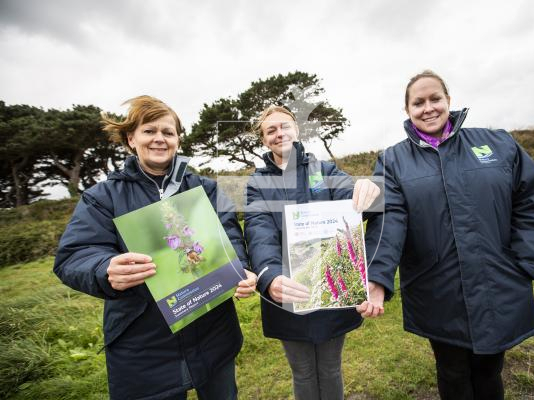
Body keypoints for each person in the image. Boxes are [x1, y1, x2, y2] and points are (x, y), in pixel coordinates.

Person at [359, 70, 534, 400]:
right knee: (452, 373)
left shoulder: (498, 143)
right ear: (407, 110)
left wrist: (527, 260)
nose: (428, 108)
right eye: (418, 102)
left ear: (448, 101)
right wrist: (377, 279)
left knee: (489, 371)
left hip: (498, 281)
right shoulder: (393, 161)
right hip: (436, 287)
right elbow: (389, 219)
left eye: (434, 99)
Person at [53, 95, 257, 400]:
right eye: (149, 131)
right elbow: (73, 256)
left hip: (213, 332)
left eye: (168, 132)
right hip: (143, 345)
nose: (159, 139)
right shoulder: (102, 197)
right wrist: (104, 269)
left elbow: (230, 236)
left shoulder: (206, 189)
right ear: (130, 139)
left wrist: (240, 269)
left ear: (177, 140)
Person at [244, 105, 380, 400]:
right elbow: (259, 232)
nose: (279, 133)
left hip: (333, 288)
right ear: (264, 139)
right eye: (271, 130)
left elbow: (353, 200)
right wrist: (270, 277)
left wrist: (368, 190)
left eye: (284, 126)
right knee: (303, 372)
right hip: (287, 292)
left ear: (296, 130)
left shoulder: (325, 170)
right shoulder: (257, 183)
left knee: (331, 368)